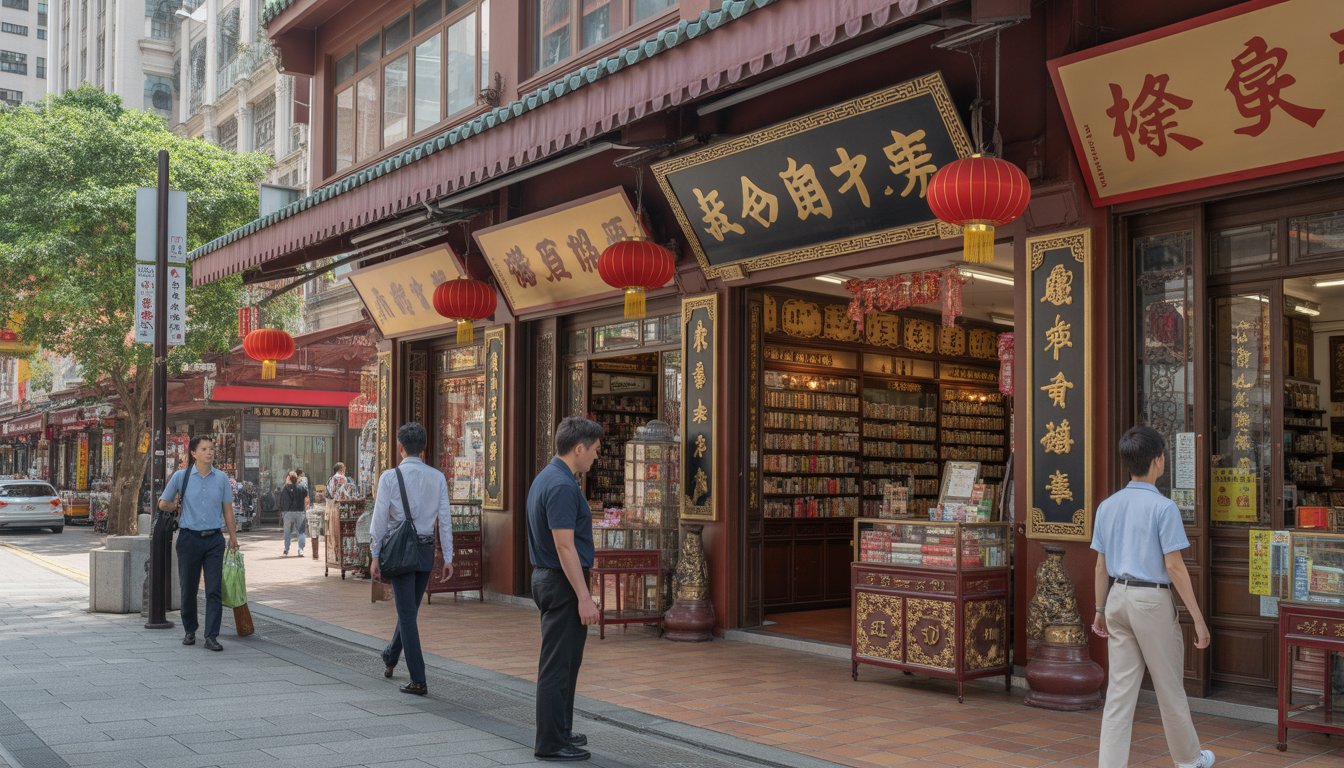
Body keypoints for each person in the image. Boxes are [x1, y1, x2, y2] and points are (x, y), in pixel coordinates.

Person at [1091, 426, 1214, 768]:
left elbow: (1101, 566)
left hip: (1117, 598)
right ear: (1158, 460)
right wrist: (1199, 620)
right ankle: (1189, 760)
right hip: (1151, 601)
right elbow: (1174, 568)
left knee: (1119, 693)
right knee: (1169, 688)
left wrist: (1100, 609)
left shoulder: (1107, 506)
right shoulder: (1164, 508)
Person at [526, 416, 604, 762]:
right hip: (560, 581)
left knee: (567, 663)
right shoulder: (559, 486)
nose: (596, 458)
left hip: (554, 578)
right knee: (558, 665)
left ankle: (561, 730)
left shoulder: (550, 477)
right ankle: (551, 742)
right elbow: (564, 546)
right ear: (579, 448)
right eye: (595, 451)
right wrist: (584, 597)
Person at [369, 422, 453, 696]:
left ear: (400, 448)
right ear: (424, 450)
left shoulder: (389, 477)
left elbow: (379, 519)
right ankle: (391, 656)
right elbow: (445, 520)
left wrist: (374, 554)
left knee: (407, 614)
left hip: (400, 550)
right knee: (409, 612)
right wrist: (448, 556)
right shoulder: (437, 477)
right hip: (426, 550)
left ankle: (419, 679)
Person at [158, 435, 239, 652]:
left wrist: (233, 536)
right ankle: (190, 630)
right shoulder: (181, 477)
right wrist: (174, 506)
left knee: (214, 590)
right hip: (189, 539)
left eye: (211, 448)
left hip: (214, 540)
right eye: (204, 449)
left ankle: (211, 635)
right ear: (194, 453)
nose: (209, 452)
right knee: (189, 588)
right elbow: (162, 503)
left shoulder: (222, 479)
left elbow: (228, 510)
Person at [278, 470, 309, 557]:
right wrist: (306, 506)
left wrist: (283, 512)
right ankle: (301, 549)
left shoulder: (285, 488)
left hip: (288, 513)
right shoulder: (302, 487)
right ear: (297, 478)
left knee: (287, 532)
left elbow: (282, 501)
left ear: (289, 478)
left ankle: (286, 550)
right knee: (301, 532)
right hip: (300, 512)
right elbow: (306, 499)